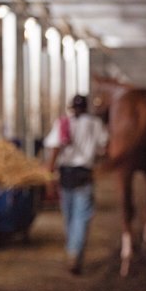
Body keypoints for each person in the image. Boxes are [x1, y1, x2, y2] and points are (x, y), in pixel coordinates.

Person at [44, 94, 108, 275]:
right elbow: (104, 147)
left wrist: (49, 175)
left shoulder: (63, 123)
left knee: (69, 216)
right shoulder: (95, 124)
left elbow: (54, 149)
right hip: (84, 174)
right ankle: (74, 252)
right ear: (86, 107)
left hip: (66, 175)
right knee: (81, 217)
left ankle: (72, 249)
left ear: (71, 107)